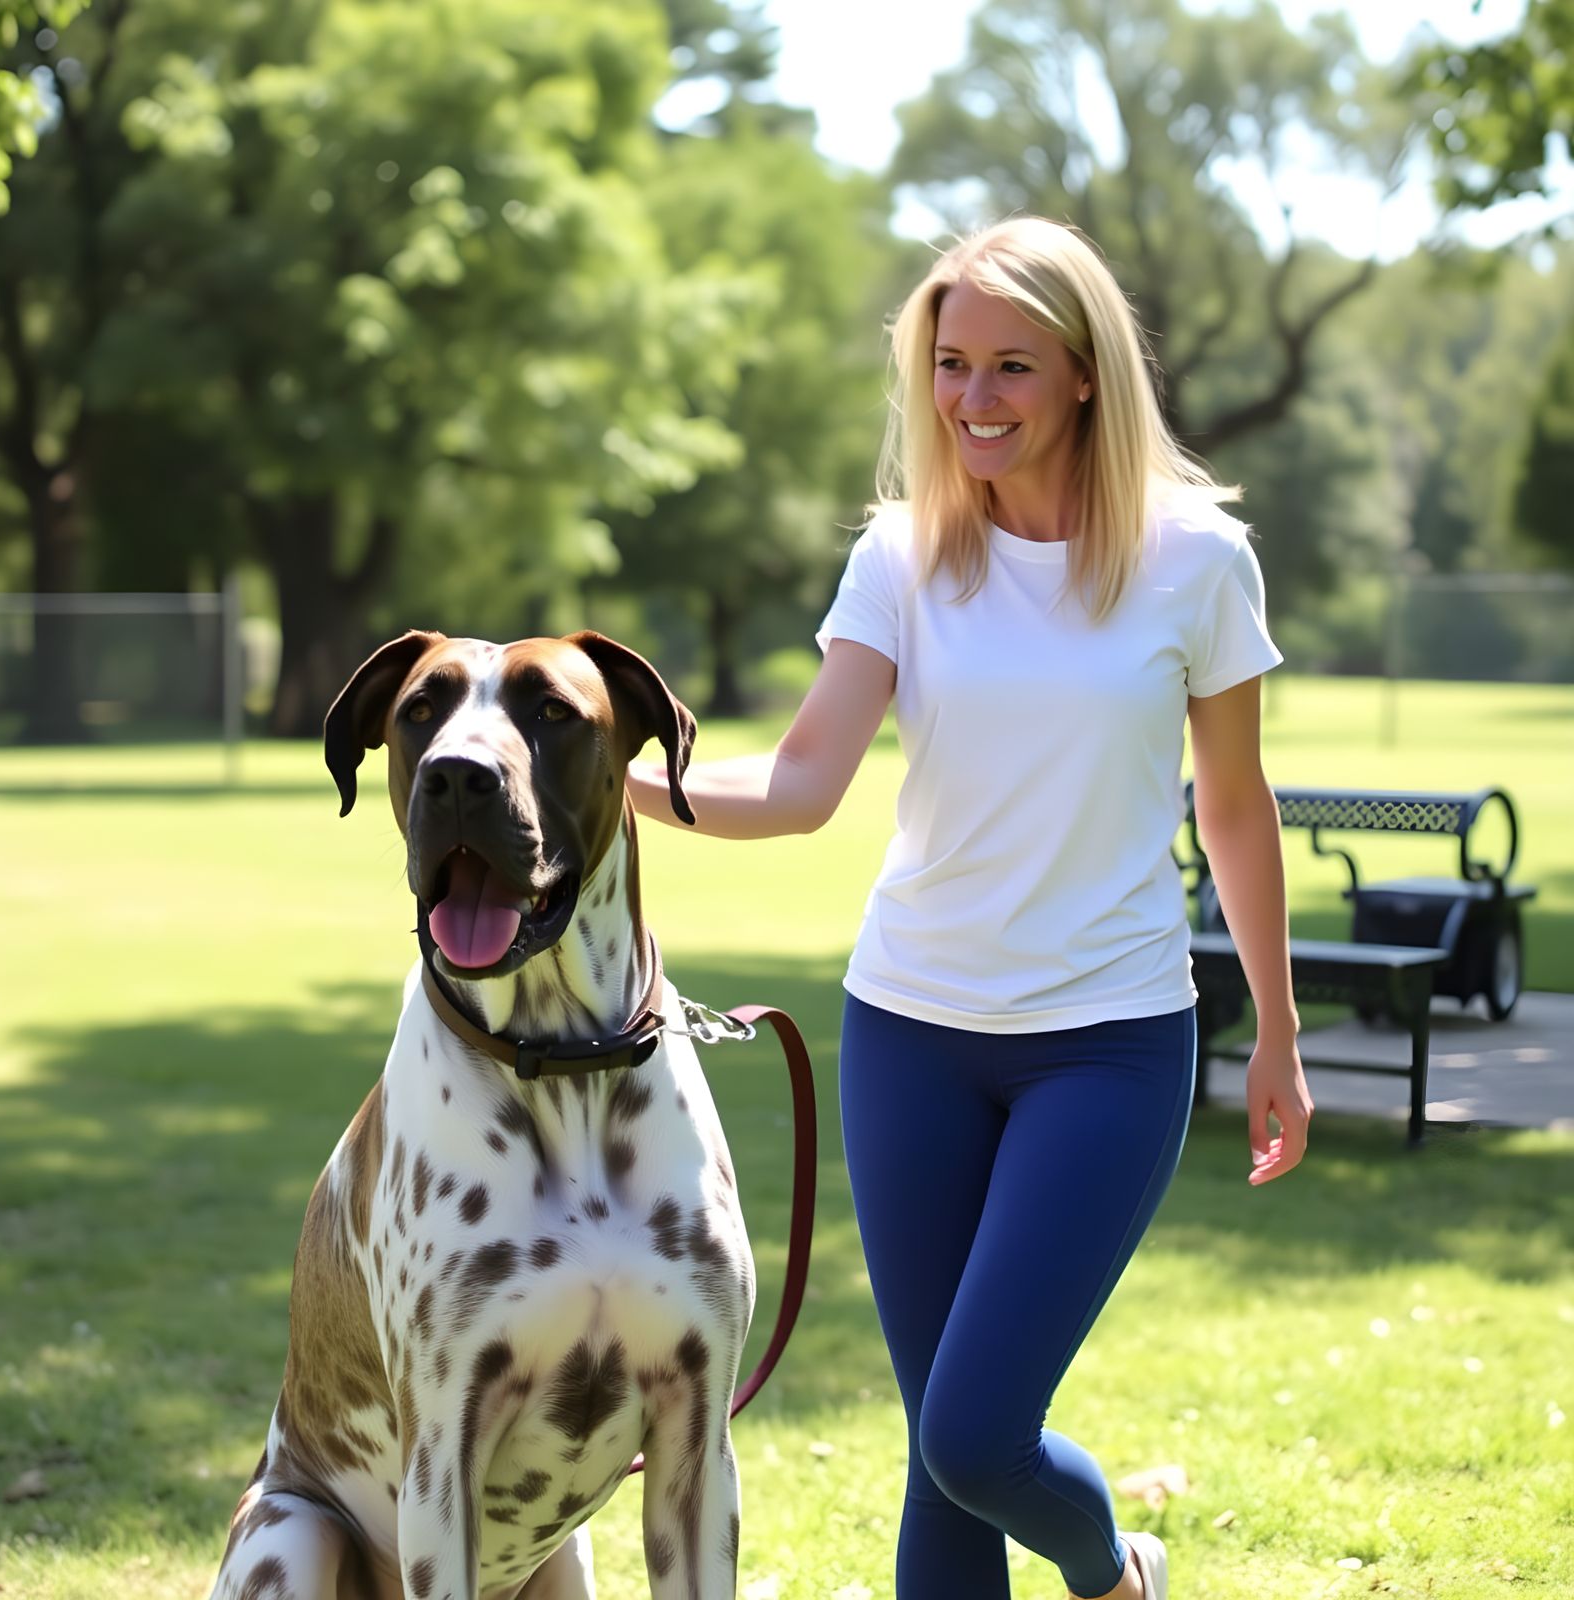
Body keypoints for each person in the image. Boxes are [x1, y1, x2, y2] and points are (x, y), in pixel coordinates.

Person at [627, 216, 1311, 1600]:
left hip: (1108, 1041)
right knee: (940, 1455)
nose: (975, 400)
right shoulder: (902, 558)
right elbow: (808, 782)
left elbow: (1233, 806)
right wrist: (602, 776)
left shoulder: (1198, 562)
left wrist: (1280, 1035)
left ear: (1082, 378)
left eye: (1011, 366)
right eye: (951, 365)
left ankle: (1112, 1569)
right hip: (911, 1034)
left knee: (975, 1433)